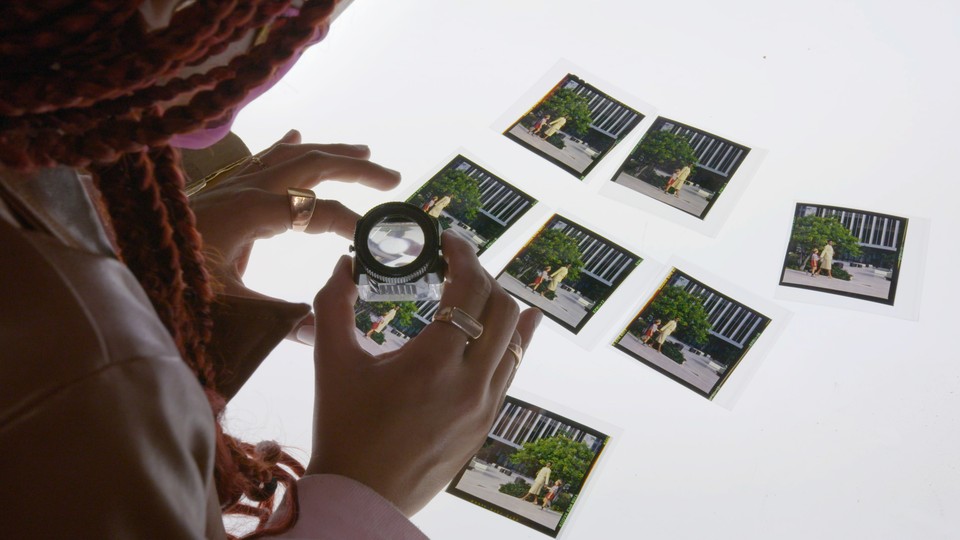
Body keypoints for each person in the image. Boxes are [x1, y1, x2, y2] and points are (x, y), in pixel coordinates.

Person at [0, 2, 543, 538]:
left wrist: (155, 301)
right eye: (301, 12)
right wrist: (366, 491)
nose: (316, 34)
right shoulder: (82, 366)